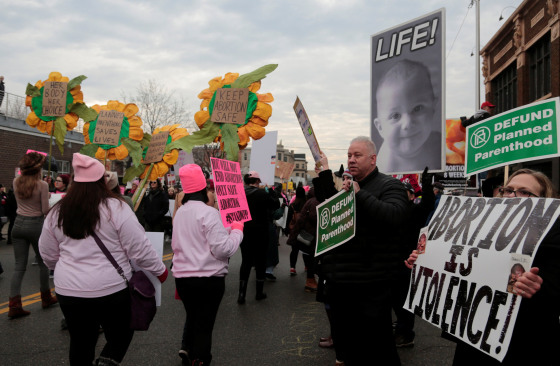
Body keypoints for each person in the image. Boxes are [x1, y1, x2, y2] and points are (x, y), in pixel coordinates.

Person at [406, 168, 559, 365]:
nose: (513, 196)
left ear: (544, 200)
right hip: (475, 338)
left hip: (523, 339)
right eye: (508, 190)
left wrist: (539, 285)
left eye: (524, 192)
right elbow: (458, 265)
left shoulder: (553, 234)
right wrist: (426, 262)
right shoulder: (478, 227)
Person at [39, 153, 168, 366]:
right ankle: (107, 361)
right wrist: (159, 270)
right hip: (111, 289)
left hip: (69, 291)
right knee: (121, 334)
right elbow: (139, 248)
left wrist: (64, 270)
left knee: (80, 342)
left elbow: (47, 254)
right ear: (102, 181)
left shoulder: (58, 211)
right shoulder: (116, 207)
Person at [316, 136, 409, 365]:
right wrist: (325, 172)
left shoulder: (390, 185)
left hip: (371, 285)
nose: (351, 160)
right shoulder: (349, 187)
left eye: (357, 155)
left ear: (373, 159)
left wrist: (360, 195)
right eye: (349, 155)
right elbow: (331, 210)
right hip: (341, 284)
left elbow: (394, 216)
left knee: (378, 350)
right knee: (349, 348)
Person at [172, 164, 244, 366]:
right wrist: (237, 231)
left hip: (183, 280)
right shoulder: (209, 213)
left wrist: (228, 229)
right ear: (204, 188)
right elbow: (224, 250)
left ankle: (193, 356)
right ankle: (201, 360)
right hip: (208, 280)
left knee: (194, 321)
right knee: (204, 326)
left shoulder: (180, 214)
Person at [7, 152, 57, 318]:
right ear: (37, 169)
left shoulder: (16, 181)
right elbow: (44, 210)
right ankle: (46, 297)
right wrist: (50, 197)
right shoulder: (41, 185)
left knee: (19, 266)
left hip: (18, 224)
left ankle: (14, 305)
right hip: (35, 224)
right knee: (43, 263)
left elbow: (26, 198)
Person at [373, 59, 441, 173]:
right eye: (395, 116)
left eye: (417, 109)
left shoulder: (438, 143)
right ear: (380, 127)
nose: (407, 123)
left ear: (433, 108)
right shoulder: (385, 166)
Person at [237, 171, 279, 304]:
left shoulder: (239, 194)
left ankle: (241, 294)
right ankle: (259, 293)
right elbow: (276, 205)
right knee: (261, 261)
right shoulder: (263, 194)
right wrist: (271, 191)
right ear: (257, 181)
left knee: (246, 261)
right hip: (261, 232)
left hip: (244, 232)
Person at [287, 186, 307, 276]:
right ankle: (307, 266)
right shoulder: (306, 204)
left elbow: (288, 218)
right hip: (304, 230)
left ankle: (292, 268)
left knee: (294, 250)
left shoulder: (292, 205)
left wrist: (286, 230)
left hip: (294, 229)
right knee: (306, 249)